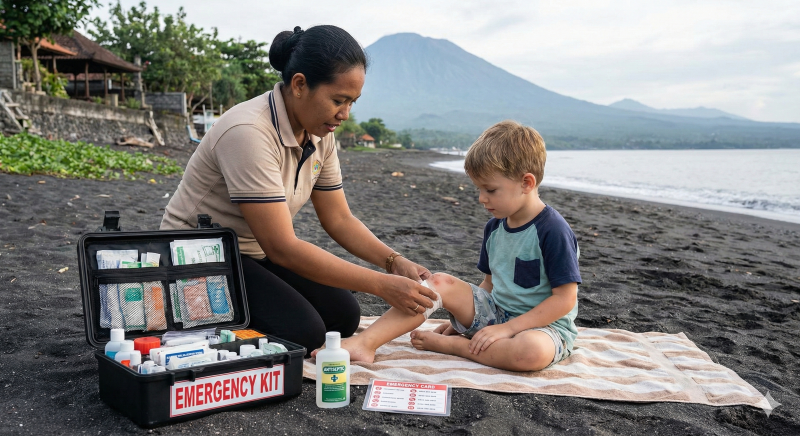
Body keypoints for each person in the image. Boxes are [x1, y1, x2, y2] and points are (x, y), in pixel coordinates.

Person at [160, 25, 437, 353]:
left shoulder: (320, 133)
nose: (345, 114)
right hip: (197, 256)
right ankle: (194, 325)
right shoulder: (249, 131)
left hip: (254, 252)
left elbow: (339, 219)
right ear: (300, 84)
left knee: (343, 317)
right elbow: (282, 248)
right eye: (338, 100)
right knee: (303, 332)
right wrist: (382, 285)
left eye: (352, 102)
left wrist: (394, 262)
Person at [313, 121, 581, 371]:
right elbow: (489, 285)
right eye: (478, 189)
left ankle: (456, 347)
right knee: (439, 281)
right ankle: (365, 343)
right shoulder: (495, 227)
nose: (481, 198)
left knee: (531, 352)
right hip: (498, 314)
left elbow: (564, 299)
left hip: (544, 328)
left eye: (490, 190)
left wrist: (508, 329)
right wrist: (467, 320)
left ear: (526, 183)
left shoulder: (552, 230)